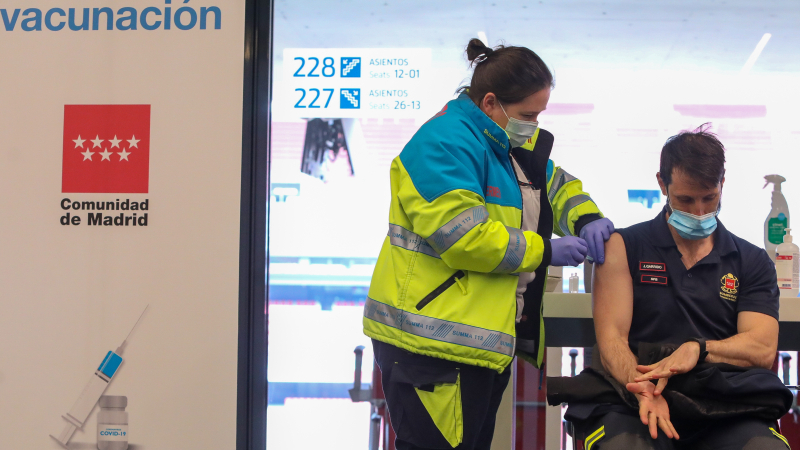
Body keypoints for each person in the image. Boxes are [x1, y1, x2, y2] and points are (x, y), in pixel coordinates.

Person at [363, 38, 615, 450]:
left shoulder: (503, 144)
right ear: (491, 103)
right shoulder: (442, 145)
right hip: (430, 347)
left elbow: (556, 184)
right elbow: (465, 238)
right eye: (527, 114)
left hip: (473, 345)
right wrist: (547, 251)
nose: (533, 125)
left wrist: (586, 218)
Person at [566, 127, 791, 449]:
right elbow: (612, 339)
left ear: (722, 185)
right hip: (630, 397)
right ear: (662, 183)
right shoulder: (623, 247)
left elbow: (761, 348)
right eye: (685, 200)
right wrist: (644, 389)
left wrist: (699, 348)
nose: (699, 213)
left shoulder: (750, 260)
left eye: (709, 198)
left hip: (722, 399)